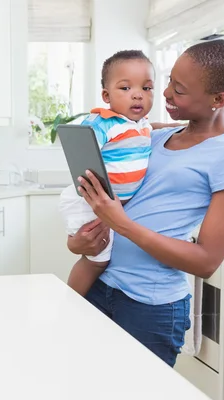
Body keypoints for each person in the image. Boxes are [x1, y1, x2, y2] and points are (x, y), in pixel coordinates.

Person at [68, 39, 224, 367]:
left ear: (218, 99)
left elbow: (206, 261)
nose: (166, 94)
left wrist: (121, 224)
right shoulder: (151, 137)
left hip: (150, 307)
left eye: (179, 90)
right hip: (101, 285)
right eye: (168, 81)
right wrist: (79, 241)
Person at [58, 50, 154, 297]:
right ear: (106, 95)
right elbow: (82, 147)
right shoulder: (103, 122)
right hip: (87, 201)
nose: (137, 94)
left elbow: (154, 128)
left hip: (107, 204)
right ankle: (70, 303)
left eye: (146, 88)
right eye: (125, 88)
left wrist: (180, 127)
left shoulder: (141, 125)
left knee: (101, 256)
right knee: (96, 259)